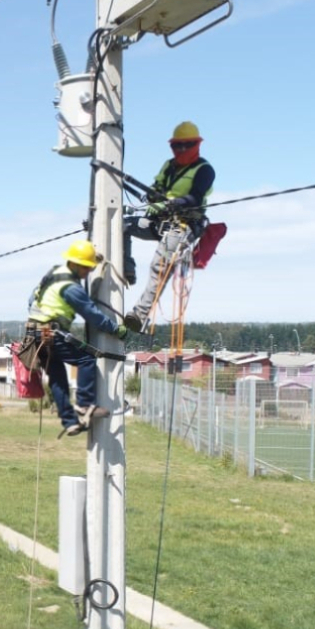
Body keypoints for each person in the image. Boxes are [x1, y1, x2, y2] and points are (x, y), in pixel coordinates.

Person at [26, 240, 129, 437]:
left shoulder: (54, 272)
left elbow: (31, 300)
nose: (88, 272)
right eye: (85, 268)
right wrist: (116, 330)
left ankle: (70, 422)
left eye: (90, 268)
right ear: (74, 263)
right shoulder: (71, 288)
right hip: (51, 334)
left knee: (57, 378)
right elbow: (92, 315)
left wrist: (94, 260)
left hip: (35, 334)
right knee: (86, 360)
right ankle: (85, 404)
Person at [122, 120, 216, 333]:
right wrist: (154, 198)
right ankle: (127, 270)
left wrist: (173, 203)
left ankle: (140, 315)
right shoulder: (169, 166)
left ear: (196, 145)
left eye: (187, 145)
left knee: (160, 265)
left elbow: (195, 197)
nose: (181, 150)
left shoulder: (204, 170)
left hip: (183, 225)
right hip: (160, 221)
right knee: (121, 225)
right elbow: (157, 187)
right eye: (177, 146)